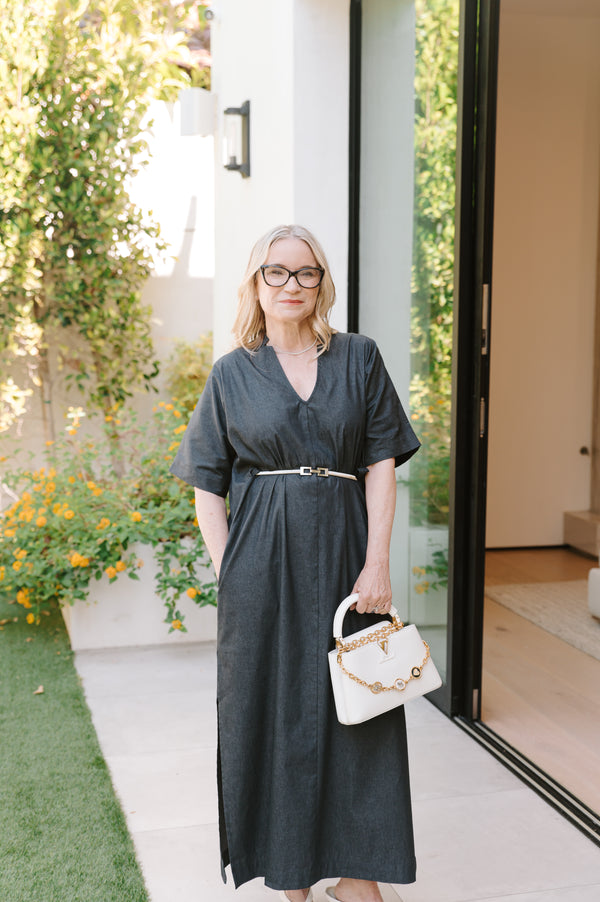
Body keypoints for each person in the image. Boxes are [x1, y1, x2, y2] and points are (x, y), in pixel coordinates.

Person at [170, 224, 421, 902]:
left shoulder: (359, 357)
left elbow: (381, 464)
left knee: (362, 708)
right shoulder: (232, 373)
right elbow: (206, 484)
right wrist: (229, 571)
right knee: (272, 710)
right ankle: (292, 880)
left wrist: (377, 563)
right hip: (261, 562)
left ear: (322, 283)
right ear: (256, 283)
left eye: (306, 272)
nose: (292, 284)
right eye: (276, 272)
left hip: (345, 553)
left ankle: (357, 875)